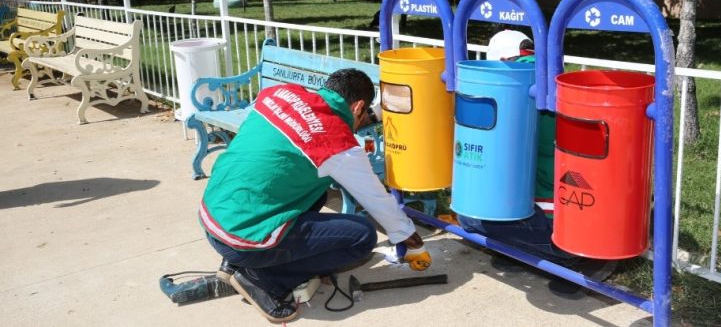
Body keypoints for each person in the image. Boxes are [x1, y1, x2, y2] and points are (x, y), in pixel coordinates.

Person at [199, 69, 428, 323]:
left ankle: (234, 264)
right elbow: (376, 199)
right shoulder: (337, 146)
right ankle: (263, 278)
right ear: (358, 107)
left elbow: (314, 126)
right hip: (245, 238)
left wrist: (365, 117)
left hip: (215, 218)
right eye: (362, 114)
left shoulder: (279, 95)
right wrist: (405, 233)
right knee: (362, 238)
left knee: (315, 190)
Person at [458, 31, 616, 295]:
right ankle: (527, 251)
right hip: (588, 206)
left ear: (501, 61)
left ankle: (582, 259)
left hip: (562, 216)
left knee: (470, 216)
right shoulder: (554, 79)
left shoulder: (510, 90)